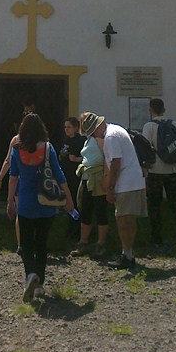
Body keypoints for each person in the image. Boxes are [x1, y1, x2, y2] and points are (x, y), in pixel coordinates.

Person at [7, 113, 74, 301]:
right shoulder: (47, 148)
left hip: (26, 202)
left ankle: (30, 275)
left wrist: (10, 201)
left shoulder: (16, 149)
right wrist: (68, 199)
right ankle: (40, 285)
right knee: (41, 243)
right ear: (41, 129)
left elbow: (13, 177)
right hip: (46, 202)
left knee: (26, 244)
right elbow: (59, 174)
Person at [80, 112, 146, 270]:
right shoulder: (115, 130)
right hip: (132, 181)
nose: (95, 135)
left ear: (97, 128)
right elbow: (111, 163)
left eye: (92, 132)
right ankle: (127, 253)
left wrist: (110, 187)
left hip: (127, 183)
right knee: (127, 219)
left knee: (123, 219)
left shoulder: (110, 137)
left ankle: (127, 255)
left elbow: (116, 163)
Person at [142, 98, 176, 249]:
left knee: (154, 205)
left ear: (151, 110)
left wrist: (145, 168)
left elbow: (145, 149)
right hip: (175, 170)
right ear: (164, 109)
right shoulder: (174, 124)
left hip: (156, 171)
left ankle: (156, 237)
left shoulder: (149, 126)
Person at [0, 98, 36, 253]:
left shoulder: (16, 140)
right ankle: (30, 242)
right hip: (34, 179)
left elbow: (8, 161)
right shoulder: (42, 140)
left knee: (22, 211)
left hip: (20, 179)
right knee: (34, 210)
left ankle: (21, 244)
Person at [70, 111, 109, 258]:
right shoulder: (88, 139)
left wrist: (106, 178)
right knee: (85, 210)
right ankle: (84, 242)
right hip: (87, 178)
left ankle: (101, 243)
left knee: (100, 211)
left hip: (98, 178)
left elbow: (107, 158)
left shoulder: (100, 139)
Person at [59, 117, 85, 239]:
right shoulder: (66, 140)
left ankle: (77, 230)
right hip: (66, 175)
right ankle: (71, 226)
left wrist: (76, 159)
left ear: (76, 128)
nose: (66, 130)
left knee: (75, 202)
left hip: (76, 176)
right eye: (65, 127)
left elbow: (86, 158)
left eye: (69, 127)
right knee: (68, 202)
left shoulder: (81, 141)